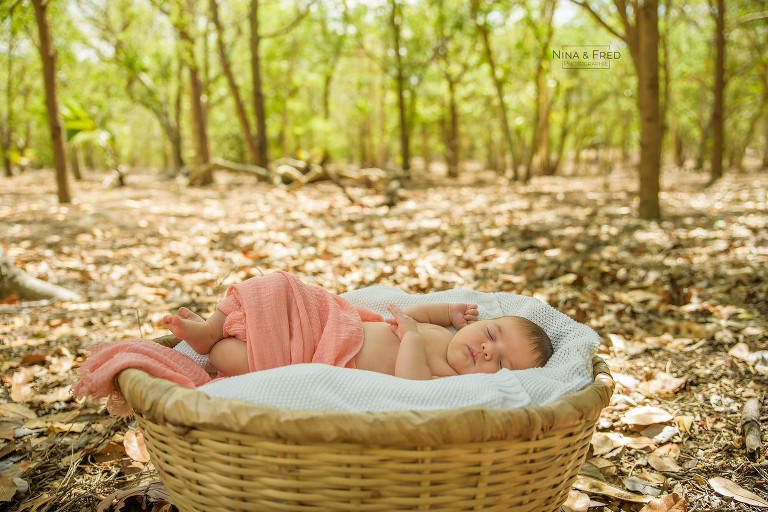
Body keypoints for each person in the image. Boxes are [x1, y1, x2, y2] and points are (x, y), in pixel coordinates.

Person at [163, 271, 553, 380]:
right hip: (335, 323)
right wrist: (446, 312)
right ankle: (214, 325)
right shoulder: (447, 334)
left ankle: (218, 344)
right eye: (490, 335)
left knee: (229, 357)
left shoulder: (445, 378)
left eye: (500, 364)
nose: (487, 350)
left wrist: (413, 339)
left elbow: (408, 380)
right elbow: (411, 315)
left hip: (325, 357)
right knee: (278, 285)